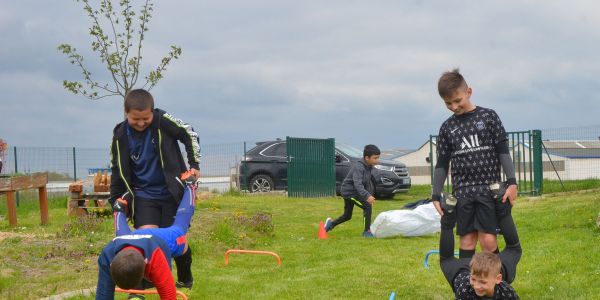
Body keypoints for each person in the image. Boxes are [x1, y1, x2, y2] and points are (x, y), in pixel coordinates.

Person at [109, 89, 200, 290]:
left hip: (170, 192)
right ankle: (143, 286)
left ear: (152, 112)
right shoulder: (120, 135)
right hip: (142, 195)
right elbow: (117, 170)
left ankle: (185, 278)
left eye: (145, 118)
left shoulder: (163, 121)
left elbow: (189, 134)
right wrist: (116, 199)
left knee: (174, 241)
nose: (141, 123)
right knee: (146, 239)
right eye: (135, 119)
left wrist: (194, 164)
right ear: (126, 113)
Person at [431, 69, 518, 258]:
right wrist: (435, 195)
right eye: (448, 103)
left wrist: (512, 182)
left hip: (489, 190)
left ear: (468, 92)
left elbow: (503, 152)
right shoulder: (447, 128)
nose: (454, 106)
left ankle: (495, 284)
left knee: (488, 240)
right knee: (467, 240)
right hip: (462, 192)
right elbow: (442, 164)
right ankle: (467, 285)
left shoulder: (488, 117)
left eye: (457, 100)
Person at [96, 174, 197, 300]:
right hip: (127, 239)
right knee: (121, 236)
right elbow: (103, 296)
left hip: (161, 239)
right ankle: (119, 210)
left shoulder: (156, 257)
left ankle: (190, 185)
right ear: (111, 265)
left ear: (146, 263)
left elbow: (168, 294)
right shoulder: (107, 256)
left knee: (181, 227)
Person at [438, 187, 522, 299]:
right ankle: (500, 199)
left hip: (488, 270)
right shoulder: (465, 292)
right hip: (463, 274)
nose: (476, 286)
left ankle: (448, 211)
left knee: (447, 260)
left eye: (482, 282)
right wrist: (475, 280)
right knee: (514, 249)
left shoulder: (507, 293)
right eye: (473, 280)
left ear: (498, 279)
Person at [324, 144, 380, 237]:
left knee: (347, 216)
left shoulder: (369, 167)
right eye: (375, 158)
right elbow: (358, 184)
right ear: (367, 158)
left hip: (353, 192)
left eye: (378, 158)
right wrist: (367, 196)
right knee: (367, 207)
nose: (377, 161)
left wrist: (369, 195)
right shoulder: (359, 167)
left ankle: (330, 225)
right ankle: (367, 232)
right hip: (349, 192)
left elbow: (367, 183)